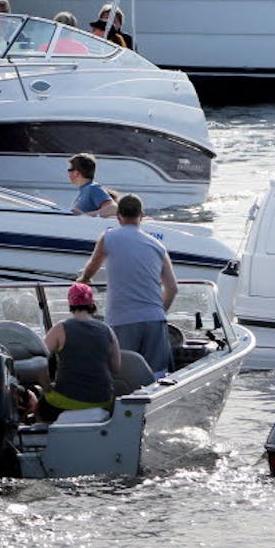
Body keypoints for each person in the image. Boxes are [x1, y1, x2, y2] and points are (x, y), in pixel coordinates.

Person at [77, 193, 179, 374]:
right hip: (154, 319)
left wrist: (84, 280)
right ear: (141, 216)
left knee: (124, 375)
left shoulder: (109, 237)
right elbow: (172, 289)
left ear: (118, 216)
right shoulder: (157, 245)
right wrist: (158, 311)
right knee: (157, 376)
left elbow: (93, 266)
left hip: (122, 319)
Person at [38, 283, 121, 423]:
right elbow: (116, 368)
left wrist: (46, 386)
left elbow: (39, 363)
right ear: (92, 303)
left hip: (67, 400)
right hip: (103, 400)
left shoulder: (60, 329)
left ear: (70, 303)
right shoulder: (108, 330)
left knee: (39, 407)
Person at [68, 152, 118, 218]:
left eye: (69, 170)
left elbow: (113, 209)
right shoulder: (85, 190)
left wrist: (84, 216)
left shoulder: (93, 188)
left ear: (76, 173)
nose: (68, 173)